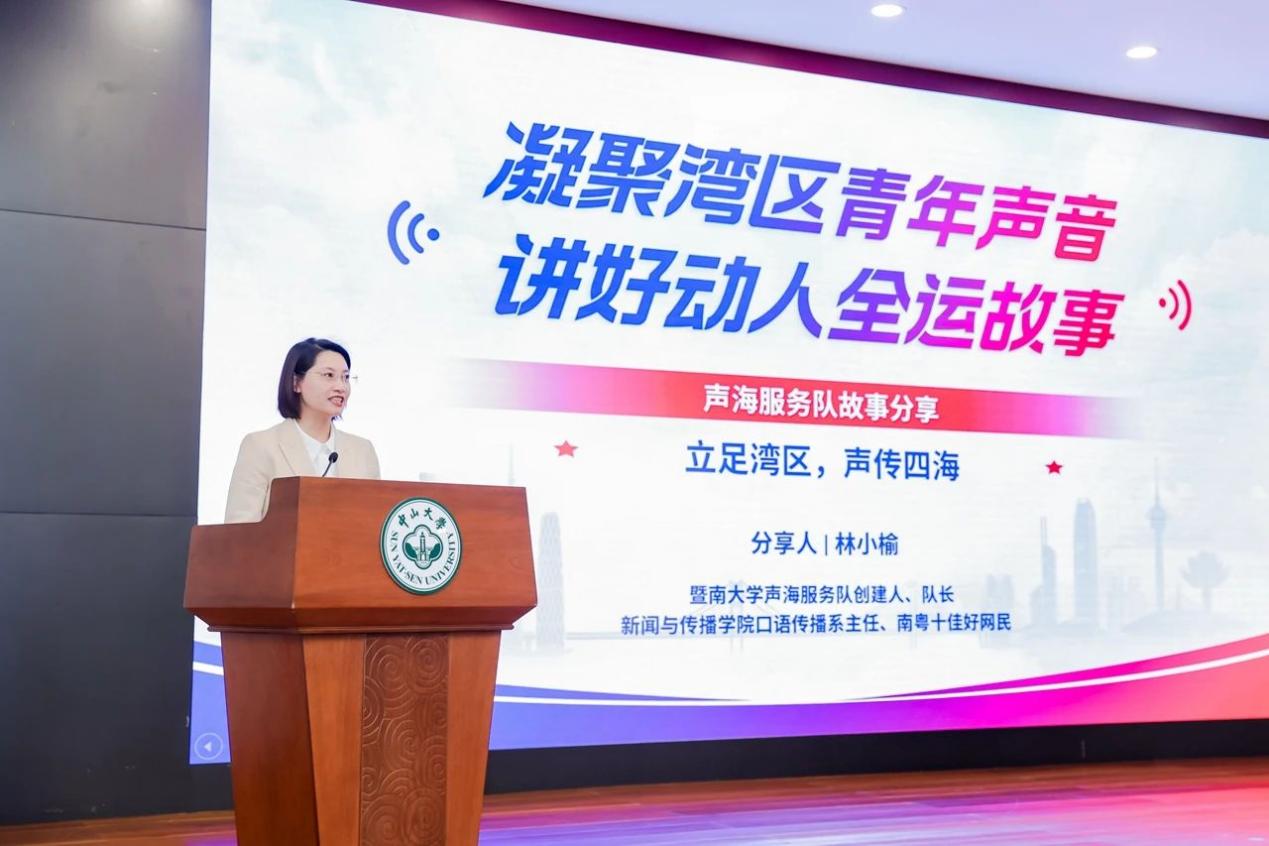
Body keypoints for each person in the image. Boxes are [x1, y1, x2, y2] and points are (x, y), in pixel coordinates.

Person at [224, 337, 380, 523]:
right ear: (296, 382)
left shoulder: (362, 451)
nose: (341, 387)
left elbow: (374, 525)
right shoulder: (260, 446)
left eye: (345, 377)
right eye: (329, 375)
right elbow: (239, 528)